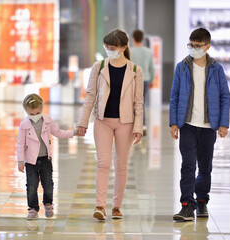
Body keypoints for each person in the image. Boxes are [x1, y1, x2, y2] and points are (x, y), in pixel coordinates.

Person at [76, 29, 144, 220]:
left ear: (123, 48)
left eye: (112, 48)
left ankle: (116, 207)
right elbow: (90, 96)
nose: (109, 50)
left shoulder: (135, 70)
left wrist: (138, 128)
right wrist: (82, 123)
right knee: (103, 163)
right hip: (102, 121)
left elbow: (138, 102)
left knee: (121, 165)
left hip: (126, 123)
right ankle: (100, 206)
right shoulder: (98, 67)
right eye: (106, 47)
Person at [169, 28, 230, 221]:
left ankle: (202, 201)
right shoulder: (182, 67)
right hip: (186, 124)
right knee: (187, 165)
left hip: (207, 126)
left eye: (198, 46)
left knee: (205, 167)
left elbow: (224, 96)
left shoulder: (216, 69)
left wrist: (223, 124)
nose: (194, 49)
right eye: (191, 45)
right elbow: (175, 96)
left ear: (207, 47)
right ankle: (187, 205)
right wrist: (173, 123)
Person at [17, 93, 77, 219]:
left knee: (48, 184)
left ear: (42, 109)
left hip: (45, 159)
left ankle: (48, 204)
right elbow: (20, 144)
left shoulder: (48, 121)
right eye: (31, 114)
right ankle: (33, 208)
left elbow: (58, 133)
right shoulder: (24, 125)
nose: (35, 116)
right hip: (30, 162)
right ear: (27, 112)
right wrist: (20, 161)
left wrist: (73, 133)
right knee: (32, 186)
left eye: (37, 113)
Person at [131, 29, 155, 130]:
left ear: (133, 39)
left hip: (132, 80)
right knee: (142, 103)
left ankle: (131, 125)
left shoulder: (129, 51)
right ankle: (143, 126)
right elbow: (152, 68)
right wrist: (152, 80)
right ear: (142, 39)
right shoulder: (148, 52)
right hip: (145, 80)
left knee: (131, 103)